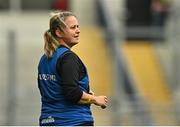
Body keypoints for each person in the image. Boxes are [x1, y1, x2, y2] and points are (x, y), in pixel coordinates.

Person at [37, 10, 108, 126]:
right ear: (59, 32)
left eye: (78, 27)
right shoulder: (68, 58)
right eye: (73, 27)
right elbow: (72, 93)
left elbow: (50, 90)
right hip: (73, 121)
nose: (78, 31)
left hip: (47, 121)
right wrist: (95, 99)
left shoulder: (44, 59)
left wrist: (85, 93)